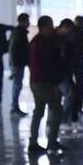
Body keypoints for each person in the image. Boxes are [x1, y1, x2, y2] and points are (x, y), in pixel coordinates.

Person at [27, 15, 67, 155]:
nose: (52, 29)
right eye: (49, 27)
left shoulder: (37, 41)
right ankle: (52, 142)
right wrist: (55, 84)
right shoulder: (42, 44)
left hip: (35, 80)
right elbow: (49, 65)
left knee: (38, 111)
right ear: (43, 28)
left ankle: (33, 143)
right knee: (56, 108)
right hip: (42, 82)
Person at [9, 13, 30, 117]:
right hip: (17, 64)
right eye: (27, 21)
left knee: (17, 85)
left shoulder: (20, 32)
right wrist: (15, 65)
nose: (29, 23)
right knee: (17, 86)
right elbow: (14, 50)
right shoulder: (19, 33)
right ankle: (14, 108)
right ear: (24, 21)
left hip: (18, 63)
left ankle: (15, 107)